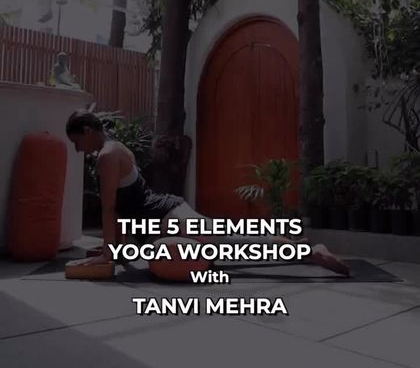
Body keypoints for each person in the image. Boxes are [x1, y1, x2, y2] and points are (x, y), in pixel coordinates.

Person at [65, 110, 350, 276]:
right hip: (167, 214)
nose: (78, 150)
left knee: (233, 243)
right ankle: (299, 247)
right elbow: (124, 207)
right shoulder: (117, 148)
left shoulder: (106, 157)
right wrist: (115, 251)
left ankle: (310, 251)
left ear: (88, 131)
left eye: (77, 142)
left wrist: (108, 254)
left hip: (169, 217)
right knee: (231, 243)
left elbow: (110, 209)